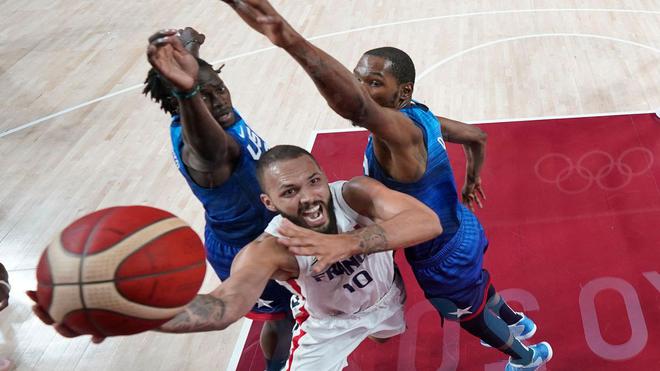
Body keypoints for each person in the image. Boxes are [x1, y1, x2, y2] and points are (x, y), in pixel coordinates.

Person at [219, 1, 552, 370]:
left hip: (441, 254)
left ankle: (526, 357)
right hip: (462, 228)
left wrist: (289, 39)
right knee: (478, 287)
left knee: (468, 314)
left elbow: (357, 108)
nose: (361, 89)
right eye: (359, 78)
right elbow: (477, 136)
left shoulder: (397, 134)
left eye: (373, 83)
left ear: (402, 92)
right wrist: (472, 179)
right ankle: (517, 321)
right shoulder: (419, 114)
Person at [31, 144, 443, 371]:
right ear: (270, 202)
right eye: (290, 192)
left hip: (386, 297)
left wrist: (347, 243)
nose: (309, 197)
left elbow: (427, 222)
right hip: (330, 325)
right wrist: (135, 313)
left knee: (386, 334)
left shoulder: (353, 193)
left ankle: (375, 330)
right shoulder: (270, 247)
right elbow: (222, 307)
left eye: (313, 181)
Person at [143, 27, 294, 370]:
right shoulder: (208, 151)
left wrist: (189, 44)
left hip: (270, 229)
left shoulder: (207, 104)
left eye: (220, 90)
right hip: (246, 247)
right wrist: (190, 90)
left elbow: (196, 77)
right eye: (204, 96)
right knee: (283, 319)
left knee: (305, 307)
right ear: (181, 102)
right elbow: (208, 143)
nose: (220, 101)